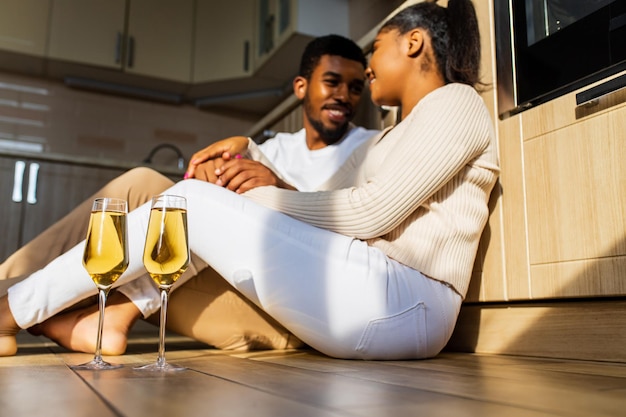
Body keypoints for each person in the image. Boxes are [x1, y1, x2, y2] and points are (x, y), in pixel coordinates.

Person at [0, 0, 499, 360]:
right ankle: (75, 313)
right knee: (196, 203)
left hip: (406, 301)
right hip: (371, 287)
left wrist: (253, 200)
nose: (368, 67)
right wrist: (251, 191)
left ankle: (11, 309)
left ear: (413, 42)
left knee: (191, 204)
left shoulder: (456, 103)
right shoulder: (387, 138)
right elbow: (322, 206)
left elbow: (371, 213)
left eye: (379, 46)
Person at [0, 34, 376, 355]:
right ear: (301, 87)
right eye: (332, 82)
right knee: (142, 183)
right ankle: (15, 289)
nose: (344, 95)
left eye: (355, 87)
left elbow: (354, 243)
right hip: (229, 282)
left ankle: (77, 311)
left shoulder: (369, 149)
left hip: (288, 314)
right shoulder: (275, 148)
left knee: (196, 212)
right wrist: (208, 177)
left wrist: (280, 189)